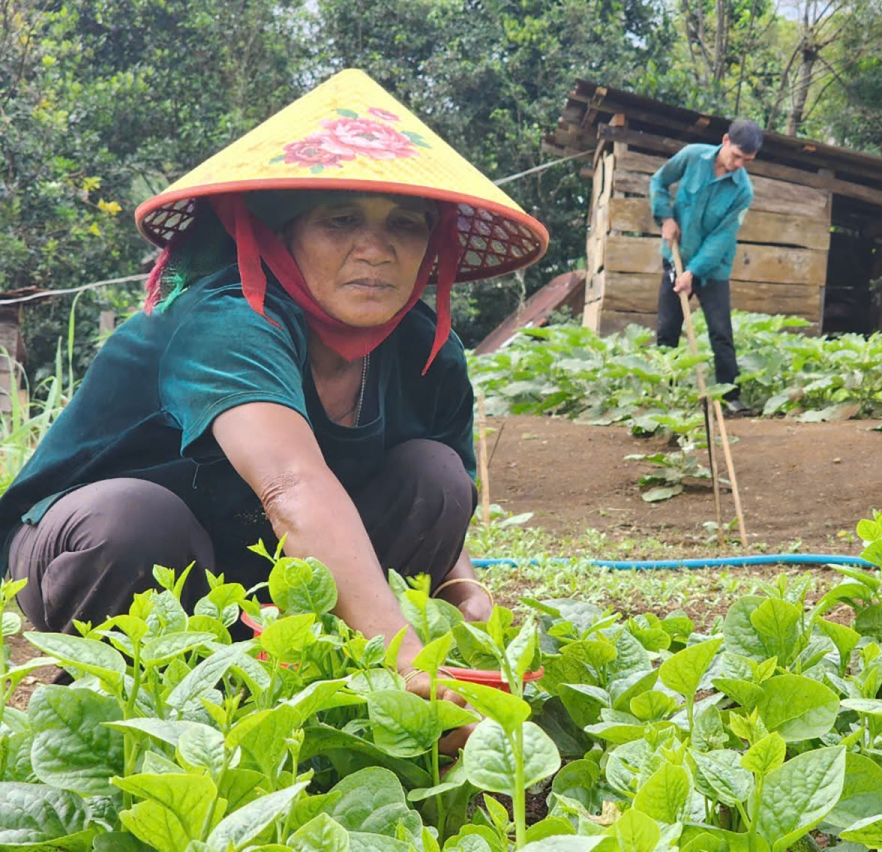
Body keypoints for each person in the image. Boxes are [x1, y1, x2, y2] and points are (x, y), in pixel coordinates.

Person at [0, 70, 548, 704]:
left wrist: (460, 593)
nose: (375, 249)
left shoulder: (427, 353)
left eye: (405, 224)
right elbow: (291, 485)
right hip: (104, 550)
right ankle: (126, 691)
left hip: (257, 565)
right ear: (279, 234)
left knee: (436, 473)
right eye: (341, 220)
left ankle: (326, 674)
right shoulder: (230, 321)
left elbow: (439, 507)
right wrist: (406, 660)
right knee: (135, 520)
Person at [650, 119, 762, 415]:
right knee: (667, 330)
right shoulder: (691, 156)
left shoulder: (743, 191)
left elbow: (722, 237)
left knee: (721, 332)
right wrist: (666, 217)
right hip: (676, 256)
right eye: (736, 156)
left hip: (712, 269)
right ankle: (665, 395)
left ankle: (730, 398)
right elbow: (658, 182)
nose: (739, 164)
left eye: (747, 160)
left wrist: (693, 272)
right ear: (725, 140)